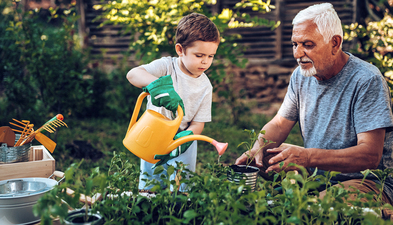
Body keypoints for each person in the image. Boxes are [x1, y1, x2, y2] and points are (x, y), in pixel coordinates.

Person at [235, 2, 393, 218]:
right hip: (317, 175)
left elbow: (370, 156)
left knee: (313, 210)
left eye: (307, 45)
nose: (298, 53)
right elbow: (279, 123)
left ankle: (381, 214)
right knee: (273, 181)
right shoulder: (300, 76)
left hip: (368, 181)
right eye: (294, 44)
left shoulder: (367, 80)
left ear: (335, 43)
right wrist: (257, 148)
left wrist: (307, 157)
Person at [127, 13, 220, 192]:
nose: (205, 61)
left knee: (181, 186)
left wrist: (184, 139)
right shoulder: (167, 66)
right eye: (199, 55)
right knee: (150, 184)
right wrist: (157, 86)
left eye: (210, 56)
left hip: (183, 138)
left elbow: (198, 124)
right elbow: (132, 74)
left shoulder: (205, 86)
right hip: (153, 133)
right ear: (180, 50)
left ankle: (178, 209)